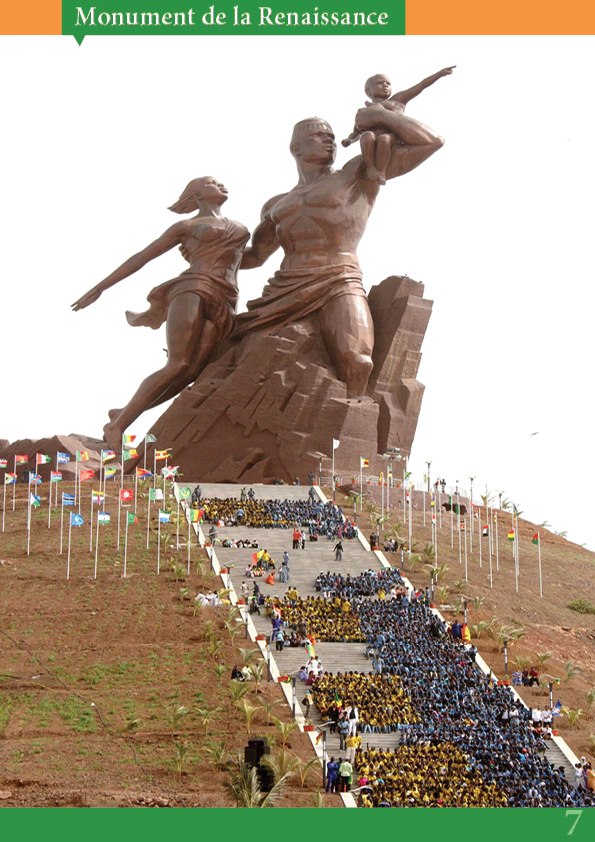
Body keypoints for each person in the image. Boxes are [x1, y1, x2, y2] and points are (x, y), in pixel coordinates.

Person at [234, 115, 443, 398]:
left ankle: (351, 431)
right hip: (283, 289)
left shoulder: (357, 174)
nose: (330, 140)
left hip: (339, 279)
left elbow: (430, 142)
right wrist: (208, 259)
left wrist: (381, 115)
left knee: (357, 360)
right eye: (319, 135)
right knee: (242, 360)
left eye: (332, 136)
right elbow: (256, 256)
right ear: (296, 148)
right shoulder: (276, 205)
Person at [72, 177, 250, 451]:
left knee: (191, 372)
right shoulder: (186, 226)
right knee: (178, 364)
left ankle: (122, 412)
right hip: (193, 287)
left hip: (226, 298)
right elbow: (142, 257)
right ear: (197, 194)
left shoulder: (239, 227)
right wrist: (100, 288)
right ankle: (117, 426)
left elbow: (254, 257)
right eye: (212, 182)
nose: (222, 184)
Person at [341, 67, 455, 183]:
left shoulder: (397, 100)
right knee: (367, 135)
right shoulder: (364, 111)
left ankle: (381, 171)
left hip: (392, 137)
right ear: (369, 91)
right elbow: (356, 131)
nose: (385, 85)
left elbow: (420, 86)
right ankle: (371, 168)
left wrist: (439, 74)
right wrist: (349, 140)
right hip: (372, 140)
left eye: (388, 84)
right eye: (380, 83)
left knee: (384, 139)